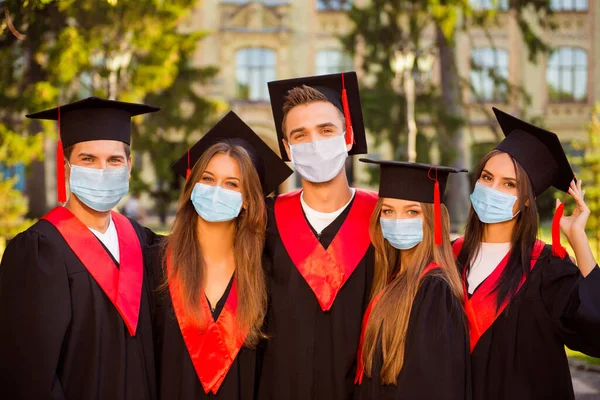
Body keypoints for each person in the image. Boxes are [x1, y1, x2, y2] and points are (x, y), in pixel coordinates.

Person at [0, 97, 160, 399]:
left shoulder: (142, 241)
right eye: (88, 159)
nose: (103, 170)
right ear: (67, 166)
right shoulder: (38, 252)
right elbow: (27, 372)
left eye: (114, 160)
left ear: (129, 167)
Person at [454, 107, 600, 400]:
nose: (492, 188)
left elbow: (596, 334)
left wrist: (579, 241)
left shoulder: (547, 269)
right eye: (487, 177)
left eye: (509, 184)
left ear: (526, 202)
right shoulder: (450, 257)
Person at [148, 111, 292, 399]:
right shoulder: (155, 264)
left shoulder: (265, 274)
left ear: (249, 202)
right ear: (192, 188)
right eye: (208, 179)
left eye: (231, 184)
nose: (216, 191)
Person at [258, 72, 378, 400]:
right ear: (287, 148)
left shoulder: (382, 222)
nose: (314, 144)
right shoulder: (264, 222)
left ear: (348, 136)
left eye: (326, 131)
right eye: (300, 135)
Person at [354, 160, 470, 400]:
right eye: (388, 211)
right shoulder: (392, 279)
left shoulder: (434, 291)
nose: (398, 220)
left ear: (433, 218)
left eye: (412, 211)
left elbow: (431, 387)